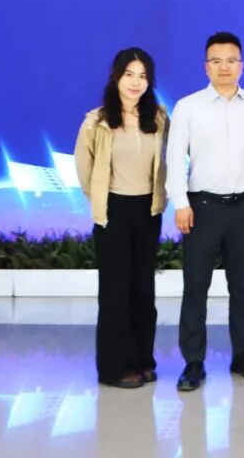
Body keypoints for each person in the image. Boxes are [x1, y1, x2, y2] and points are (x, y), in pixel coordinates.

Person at [166, 31, 244, 391]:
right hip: (202, 208)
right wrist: (181, 203)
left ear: (242, 65)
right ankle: (193, 362)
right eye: (216, 61)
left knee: (242, 288)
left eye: (231, 60)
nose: (224, 67)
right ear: (206, 66)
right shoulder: (188, 107)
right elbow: (174, 157)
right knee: (196, 288)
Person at [75, 47, 169, 389]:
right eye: (129, 74)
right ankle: (115, 368)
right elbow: (85, 170)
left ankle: (143, 360)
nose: (135, 82)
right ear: (116, 77)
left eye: (143, 76)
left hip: (148, 211)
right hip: (113, 213)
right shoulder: (96, 121)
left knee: (143, 290)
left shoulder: (159, 118)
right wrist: (102, 200)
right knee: (115, 293)